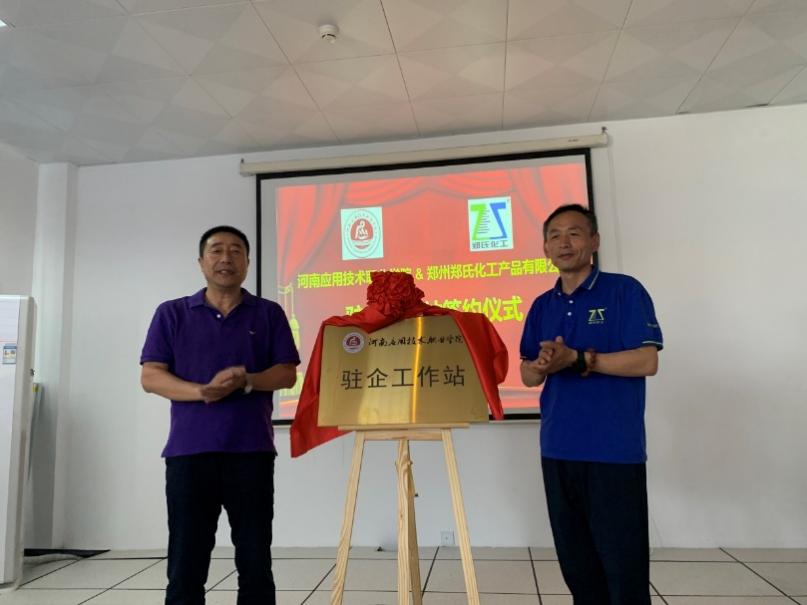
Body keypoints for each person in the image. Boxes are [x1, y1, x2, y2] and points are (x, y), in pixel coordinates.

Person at [140, 225, 300, 605]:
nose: (226, 258)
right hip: (188, 454)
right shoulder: (172, 313)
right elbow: (151, 376)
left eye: (235, 251)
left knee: (255, 558)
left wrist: (247, 381)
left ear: (247, 262)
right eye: (216, 250)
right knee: (186, 560)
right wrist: (202, 391)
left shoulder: (268, 313)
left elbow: (286, 373)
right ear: (201, 261)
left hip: (251, 452)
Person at [519, 204, 663, 605]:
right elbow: (527, 376)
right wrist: (541, 365)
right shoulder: (542, 305)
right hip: (557, 448)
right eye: (554, 235)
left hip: (613, 451)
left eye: (575, 233)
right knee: (578, 567)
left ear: (594, 241)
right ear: (545, 248)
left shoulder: (624, 291)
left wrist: (580, 359)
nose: (564, 242)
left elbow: (647, 361)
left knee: (623, 567)